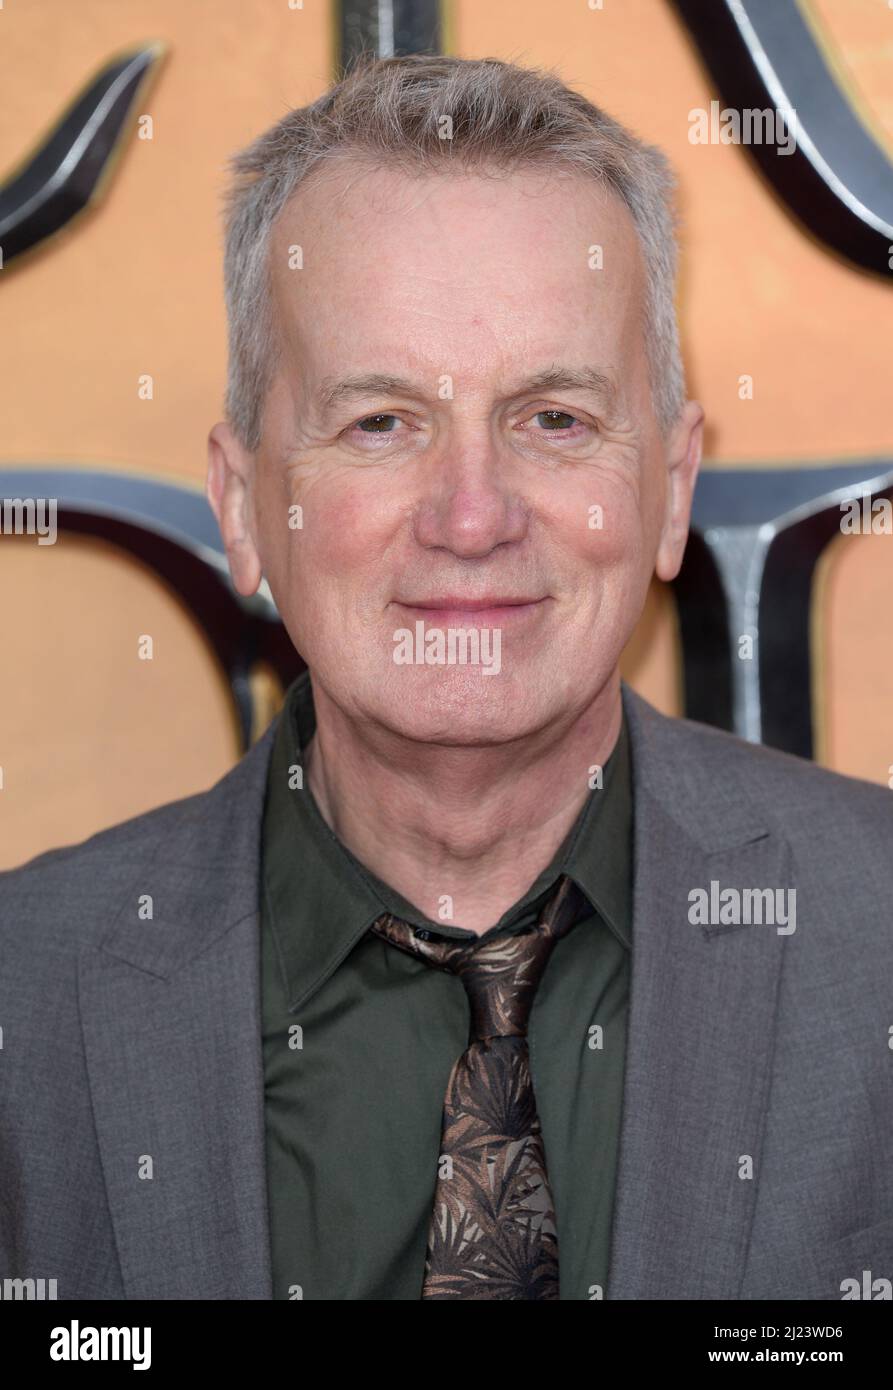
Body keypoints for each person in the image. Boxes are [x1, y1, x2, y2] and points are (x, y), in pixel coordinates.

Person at [2, 54, 891, 1302]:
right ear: (244, 504)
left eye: (553, 419)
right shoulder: (23, 996)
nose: (470, 518)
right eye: (380, 422)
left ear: (671, 489)